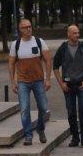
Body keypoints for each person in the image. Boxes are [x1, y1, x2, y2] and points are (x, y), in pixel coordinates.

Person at [8, 18, 53, 146]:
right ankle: (28, 135)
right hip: (23, 82)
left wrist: (48, 79)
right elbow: (11, 64)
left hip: (38, 80)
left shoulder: (39, 42)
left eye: (30, 26)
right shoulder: (16, 44)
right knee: (24, 109)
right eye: (25, 27)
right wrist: (13, 82)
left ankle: (40, 128)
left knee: (43, 108)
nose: (28, 29)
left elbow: (48, 60)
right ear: (20, 29)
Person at [53, 24, 83, 147]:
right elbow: (55, 67)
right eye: (75, 33)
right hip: (68, 85)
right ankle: (75, 137)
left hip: (82, 85)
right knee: (71, 112)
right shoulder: (62, 49)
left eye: (78, 33)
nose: (77, 35)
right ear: (68, 34)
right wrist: (61, 83)